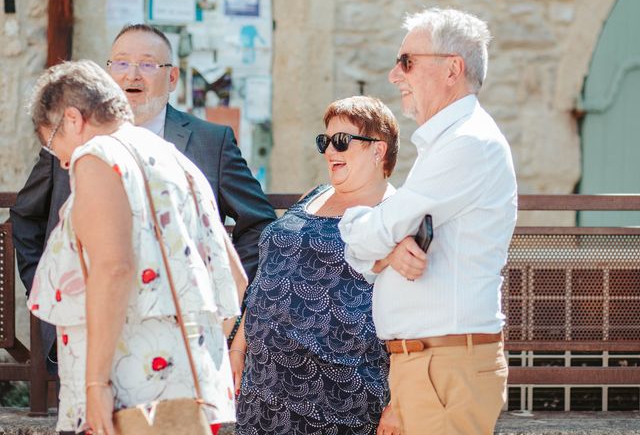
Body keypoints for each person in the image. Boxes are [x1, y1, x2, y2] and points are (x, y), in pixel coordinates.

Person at [10, 24, 276, 375]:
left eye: (148, 64)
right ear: (107, 74)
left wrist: (216, 322)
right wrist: (53, 296)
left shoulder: (211, 143)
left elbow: (258, 228)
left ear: (173, 78)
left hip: (172, 345)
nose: (131, 74)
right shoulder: (73, 143)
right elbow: (26, 217)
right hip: (86, 334)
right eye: (120, 63)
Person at [26, 60, 247, 435]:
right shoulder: (177, 160)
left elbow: (114, 268)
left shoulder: (97, 155)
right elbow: (235, 278)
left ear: (74, 119)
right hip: (188, 392)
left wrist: (96, 383)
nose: (61, 160)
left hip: (129, 389)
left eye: (53, 144)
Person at [339, 8, 518, 435]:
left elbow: (373, 233)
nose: (394, 75)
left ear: (452, 68)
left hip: (443, 366)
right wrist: (384, 254)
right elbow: (373, 245)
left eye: (407, 62)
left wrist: (372, 239)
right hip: (428, 365)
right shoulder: (453, 141)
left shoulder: (467, 144)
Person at [230, 96, 401, 435]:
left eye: (342, 141)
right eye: (325, 141)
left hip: (338, 394)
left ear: (378, 150)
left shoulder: (393, 213)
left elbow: (412, 315)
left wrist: (400, 403)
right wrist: (238, 347)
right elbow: (271, 271)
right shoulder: (316, 194)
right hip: (263, 383)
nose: (329, 152)